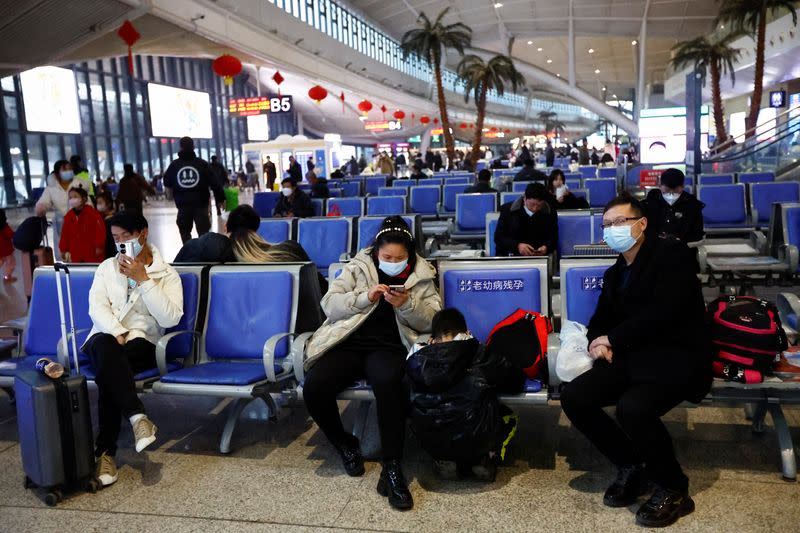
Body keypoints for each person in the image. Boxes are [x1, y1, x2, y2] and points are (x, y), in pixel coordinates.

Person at [559, 194, 710, 528]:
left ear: (641, 224)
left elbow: (665, 313)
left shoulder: (672, 256)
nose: (613, 230)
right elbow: (600, 319)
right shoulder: (616, 272)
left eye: (619, 222)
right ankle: (632, 466)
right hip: (633, 355)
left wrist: (613, 338)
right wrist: (597, 343)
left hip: (677, 355)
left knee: (633, 408)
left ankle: (674, 487)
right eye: (606, 225)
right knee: (574, 396)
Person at [302, 216, 442, 510]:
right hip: (349, 341)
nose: (392, 262)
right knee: (315, 386)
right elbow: (330, 304)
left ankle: (392, 467)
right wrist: (365, 296)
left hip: (390, 346)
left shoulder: (422, 273)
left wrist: (406, 305)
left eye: (399, 258)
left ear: (410, 254)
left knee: (389, 383)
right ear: (376, 250)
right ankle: (344, 443)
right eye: (386, 256)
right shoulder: (357, 266)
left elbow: (433, 320)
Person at [82, 211, 183, 486]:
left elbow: (170, 318)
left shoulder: (167, 275)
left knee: (109, 372)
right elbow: (96, 307)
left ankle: (105, 453)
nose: (120, 243)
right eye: (115, 238)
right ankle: (137, 417)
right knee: (106, 349)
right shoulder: (106, 268)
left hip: (143, 343)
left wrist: (144, 280)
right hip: (104, 336)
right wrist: (117, 332)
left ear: (143, 233)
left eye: (125, 237)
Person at [406, 308, 519, 482]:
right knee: (508, 416)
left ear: (432, 338)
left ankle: (443, 458)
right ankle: (486, 458)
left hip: (430, 441)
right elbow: (514, 381)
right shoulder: (479, 354)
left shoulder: (417, 360)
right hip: (475, 439)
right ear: (465, 332)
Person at [163, 137, 225, 244]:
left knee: (185, 232)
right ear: (194, 147)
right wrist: (221, 198)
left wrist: (172, 194)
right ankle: (204, 256)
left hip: (183, 206)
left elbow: (167, 182)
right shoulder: (202, 164)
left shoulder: (174, 165)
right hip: (201, 205)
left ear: (181, 147)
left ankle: (189, 255)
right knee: (204, 233)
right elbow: (215, 183)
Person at [494, 183, 558, 257]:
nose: (535, 208)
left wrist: (546, 247)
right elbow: (499, 238)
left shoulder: (550, 213)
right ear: (524, 198)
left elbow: (553, 238)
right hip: (513, 255)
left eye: (539, 205)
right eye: (532, 204)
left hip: (539, 257)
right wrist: (517, 246)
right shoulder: (508, 210)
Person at [642, 168, 705, 243]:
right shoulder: (650, 203)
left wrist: (679, 240)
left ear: (682, 187)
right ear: (660, 186)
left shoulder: (692, 205)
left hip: (682, 248)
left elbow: (697, 233)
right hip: (654, 248)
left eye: (676, 191)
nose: (671, 194)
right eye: (667, 191)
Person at [35, 160, 81, 259]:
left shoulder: (78, 184)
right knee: (63, 253)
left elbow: (87, 201)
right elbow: (43, 201)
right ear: (57, 174)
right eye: (65, 169)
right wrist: (41, 207)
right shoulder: (51, 188)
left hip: (79, 222)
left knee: (80, 251)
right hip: (61, 224)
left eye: (70, 169)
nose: (68, 171)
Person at [59, 187, 106, 263]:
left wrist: (99, 247)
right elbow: (64, 235)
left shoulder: (93, 214)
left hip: (92, 254)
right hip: (75, 255)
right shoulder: (68, 216)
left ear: (84, 199)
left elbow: (100, 232)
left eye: (75, 196)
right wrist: (63, 250)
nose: (72, 199)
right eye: (70, 197)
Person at [95, 191, 118, 260]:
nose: (98, 205)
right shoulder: (102, 218)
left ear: (108, 204)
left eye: (100, 203)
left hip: (110, 253)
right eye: (97, 203)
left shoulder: (110, 220)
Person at [0, 209, 16, 282]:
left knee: (1, 262)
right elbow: (11, 235)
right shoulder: (5, 227)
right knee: (11, 263)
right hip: (7, 250)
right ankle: (8, 277)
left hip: (1, 251)